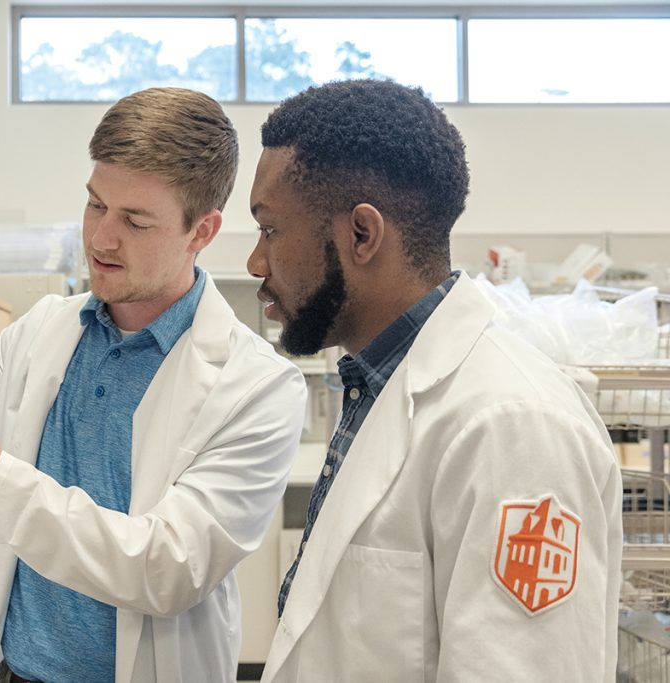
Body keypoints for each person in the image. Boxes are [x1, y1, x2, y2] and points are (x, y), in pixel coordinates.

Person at [0, 87, 307, 683]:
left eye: (134, 220)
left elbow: (167, 568)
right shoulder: (44, 330)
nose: (102, 239)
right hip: (14, 672)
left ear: (201, 232)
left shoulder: (259, 387)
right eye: (95, 205)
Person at [247, 79, 621, 682]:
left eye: (269, 230)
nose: (256, 264)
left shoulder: (511, 428)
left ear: (362, 236)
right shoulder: (376, 388)